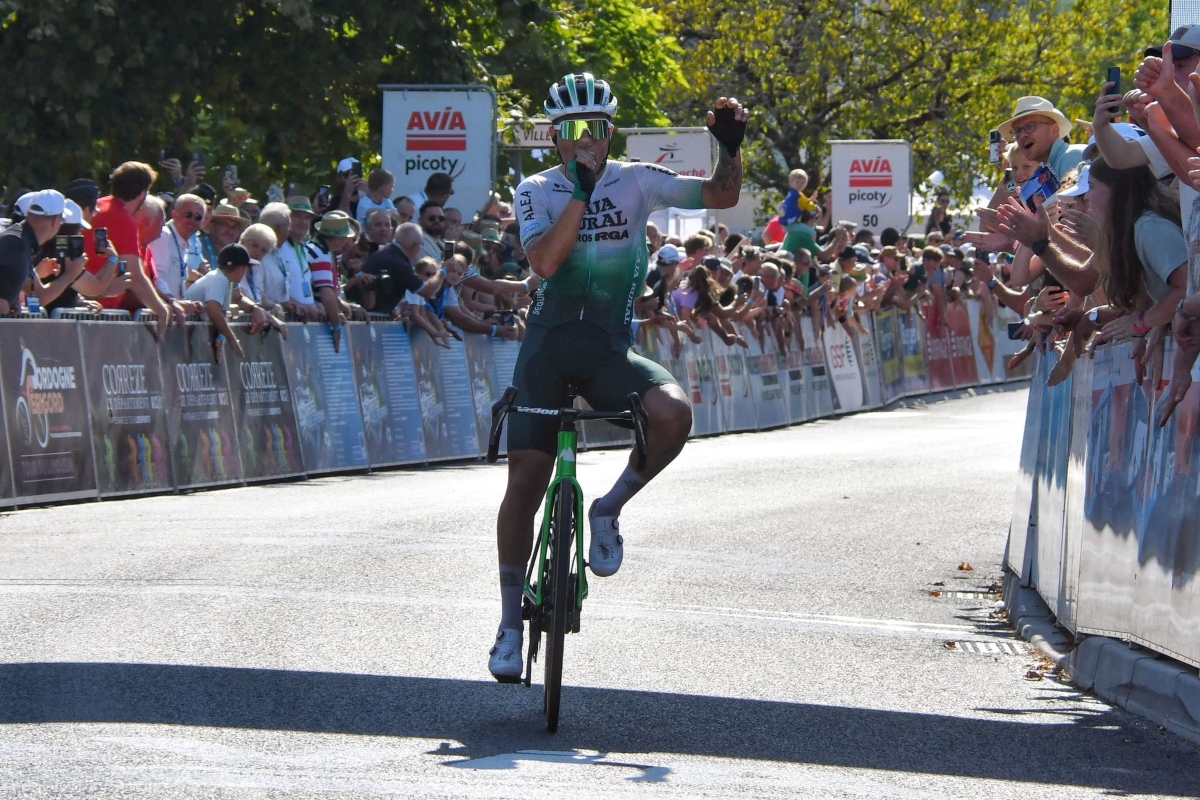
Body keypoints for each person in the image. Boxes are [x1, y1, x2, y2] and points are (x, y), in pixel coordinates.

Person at [487, 71, 747, 682]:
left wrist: (730, 149)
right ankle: (506, 621)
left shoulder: (638, 180)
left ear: (610, 133)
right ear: (555, 137)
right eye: (573, 131)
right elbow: (546, 263)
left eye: (597, 130)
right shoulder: (537, 189)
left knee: (674, 415)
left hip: (608, 350)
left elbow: (722, 198)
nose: (586, 142)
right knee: (526, 477)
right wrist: (580, 192)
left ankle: (608, 509)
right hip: (548, 350)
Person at [0, 190, 89, 314]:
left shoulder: (22, 240)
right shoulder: (17, 243)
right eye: (62, 221)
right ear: (55, 221)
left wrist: (12, 300)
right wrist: (71, 274)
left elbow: (39, 296)